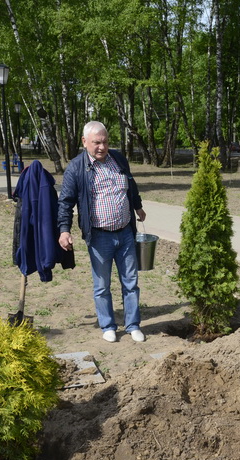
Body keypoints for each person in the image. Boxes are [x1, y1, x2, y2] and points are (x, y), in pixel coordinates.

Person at [57, 121, 146, 343]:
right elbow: (65, 202)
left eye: (105, 141)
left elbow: (131, 185)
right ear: (84, 142)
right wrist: (64, 230)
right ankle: (108, 326)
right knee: (101, 286)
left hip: (125, 232)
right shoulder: (76, 168)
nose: (102, 147)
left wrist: (137, 206)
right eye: (97, 142)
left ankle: (133, 325)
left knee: (131, 282)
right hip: (99, 236)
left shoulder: (118, 159)